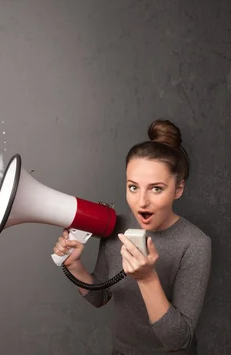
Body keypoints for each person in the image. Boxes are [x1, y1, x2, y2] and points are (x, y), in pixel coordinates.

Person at [53, 119, 212, 354]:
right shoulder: (116, 225)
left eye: (156, 188)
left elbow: (178, 340)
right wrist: (75, 265)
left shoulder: (195, 244)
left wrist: (147, 279)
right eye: (133, 187)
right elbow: (101, 297)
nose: (142, 202)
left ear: (178, 189)